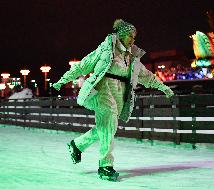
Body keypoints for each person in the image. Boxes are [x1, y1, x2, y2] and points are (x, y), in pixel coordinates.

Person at [53, 19, 174, 181]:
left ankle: (77, 145)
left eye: (134, 37)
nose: (133, 39)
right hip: (104, 89)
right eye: (130, 35)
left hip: (121, 93)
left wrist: (163, 87)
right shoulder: (106, 49)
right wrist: (62, 80)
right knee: (109, 125)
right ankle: (105, 165)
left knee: (107, 127)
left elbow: (145, 76)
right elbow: (84, 65)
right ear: (122, 35)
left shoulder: (132, 56)